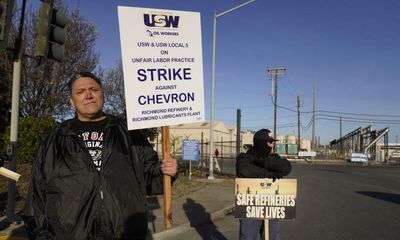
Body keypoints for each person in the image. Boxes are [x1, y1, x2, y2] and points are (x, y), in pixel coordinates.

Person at [21, 72, 177, 240]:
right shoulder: (56, 138)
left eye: (93, 89)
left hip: (124, 233)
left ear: (103, 95)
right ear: (71, 102)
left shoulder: (128, 133)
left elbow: (150, 180)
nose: (88, 95)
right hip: (71, 234)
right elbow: (37, 195)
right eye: (80, 92)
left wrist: (166, 172)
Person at [236, 129, 292, 240]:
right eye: (269, 142)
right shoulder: (244, 157)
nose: (272, 145)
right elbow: (244, 170)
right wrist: (268, 174)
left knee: (272, 236)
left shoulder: (273, 158)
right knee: (247, 236)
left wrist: (264, 162)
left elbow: (286, 167)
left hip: (271, 206)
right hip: (250, 207)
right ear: (261, 143)